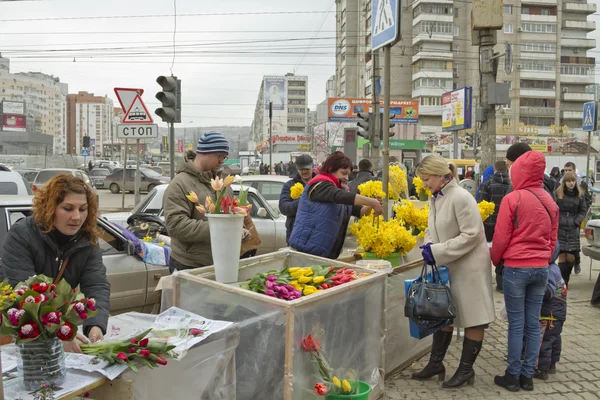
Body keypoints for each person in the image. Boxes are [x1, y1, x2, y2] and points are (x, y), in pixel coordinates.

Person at [0, 174, 110, 353]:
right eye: (68, 208)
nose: (77, 217)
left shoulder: (87, 240)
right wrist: (62, 330)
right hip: (17, 328)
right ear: (50, 208)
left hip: (54, 327)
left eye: (83, 209)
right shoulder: (21, 235)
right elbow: (25, 292)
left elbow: (96, 285)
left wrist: (95, 325)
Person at [412, 154, 495, 389]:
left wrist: (437, 251)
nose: (424, 184)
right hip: (450, 264)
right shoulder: (436, 197)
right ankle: (436, 364)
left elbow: (472, 235)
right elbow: (431, 227)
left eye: (426, 179)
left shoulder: (460, 196)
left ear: (440, 175)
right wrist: (429, 245)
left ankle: (466, 370)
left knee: (473, 318)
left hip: (470, 267)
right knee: (444, 313)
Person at [491, 150, 559, 392]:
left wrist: (495, 259)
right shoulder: (550, 201)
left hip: (516, 269)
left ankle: (512, 374)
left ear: (518, 171)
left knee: (516, 324)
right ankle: (528, 376)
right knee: (533, 323)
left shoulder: (514, 198)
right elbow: (553, 240)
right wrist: (543, 258)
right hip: (541, 269)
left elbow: (501, 237)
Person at [164, 132, 259, 271]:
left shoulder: (221, 183)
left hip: (221, 261)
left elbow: (230, 212)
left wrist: (239, 226)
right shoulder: (179, 184)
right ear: (204, 152)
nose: (222, 161)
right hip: (189, 264)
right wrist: (222, 228)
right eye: (219, 156)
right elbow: (176, 226)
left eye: (224, 157)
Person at [288, 152, 383, 259]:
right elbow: (337, 196)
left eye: (348, 174)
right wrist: (372, 202)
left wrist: (373, 204)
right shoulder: (318, 184)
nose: (347, 178)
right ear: (331, 169)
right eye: (343, 173)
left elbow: (360, 212)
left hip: (327, 255)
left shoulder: (342, 190)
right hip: (305, 252)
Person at [534, 245, 566, 381]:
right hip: (559, 312)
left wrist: (534, 289)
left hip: (550, 314)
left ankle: (542, 369)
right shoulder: (555, 268)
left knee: (545, 340)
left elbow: (549, 292)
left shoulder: (549, 270)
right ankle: (553, 363)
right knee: (555, 338)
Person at [556, 172, 587, 286]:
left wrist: (577, 221)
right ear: (564, 182)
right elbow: (554, 208)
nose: (571, 183)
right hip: (560, 228)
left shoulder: (580, 194)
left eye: (573, 181)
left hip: (573, 228)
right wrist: (557, 220)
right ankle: (563, 283)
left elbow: (582, 210)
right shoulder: (558, 193)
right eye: (569, 181)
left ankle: (566, 278)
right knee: (562, 256)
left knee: (571, 257)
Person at [279, 154, 316, 244]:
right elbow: (284, 208)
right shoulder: (289, 185)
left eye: (307, 169)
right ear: (297, 169)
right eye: (301, 169)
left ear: (313, 167)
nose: (304, 172)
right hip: (295, 233)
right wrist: (303, 201)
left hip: (315, 233)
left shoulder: (320, 184)